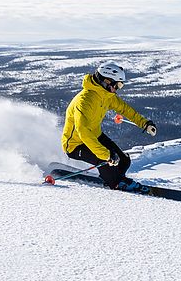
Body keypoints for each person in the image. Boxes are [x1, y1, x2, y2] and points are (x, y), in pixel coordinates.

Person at [61, 62, 157, 192]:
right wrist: (106, 155)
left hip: (95, 135)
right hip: (75, 144)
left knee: (123, 160)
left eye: (120, 85)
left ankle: (114, 178)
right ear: (107, 81)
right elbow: (83, 132)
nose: (117, 89)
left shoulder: (106, 95)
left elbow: (124, 109)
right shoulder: (84, 101)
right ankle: (116, 183)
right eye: (117, 85)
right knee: (106, 160)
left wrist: (144, 123)